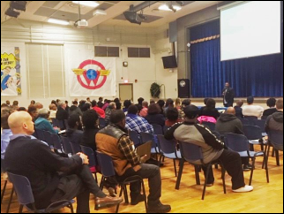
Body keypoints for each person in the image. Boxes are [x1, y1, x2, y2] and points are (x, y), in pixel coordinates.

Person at [4, 111, 122, 213]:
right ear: (24, 125)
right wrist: (79, 158)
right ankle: (99, 196)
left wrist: (76, 159)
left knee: (78, 165)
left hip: (29, 196)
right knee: (83, 180)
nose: (33, 123)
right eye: (31, 121)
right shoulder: (33, 145)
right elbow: (62, 165)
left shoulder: (10, 148)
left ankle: (100, 195)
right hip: (45, 196)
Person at [165, 105, 253, 193]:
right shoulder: (202, 130)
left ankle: (209, 180)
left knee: (205, 149)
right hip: (204, 157)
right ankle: (238, 185)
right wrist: (226, 148)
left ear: (184, 115)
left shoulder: (176, 127)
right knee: (234, 156)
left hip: (187, 156)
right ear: (196, 116)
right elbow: (218, 145)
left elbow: (167, 136)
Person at [95, 110, 171, 213]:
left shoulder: (99, 133)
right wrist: (142, 158)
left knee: (137, 165)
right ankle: (154, 204)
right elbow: (134, 161)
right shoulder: (122, 137)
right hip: (121, 171)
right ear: (122, 121)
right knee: (154, 169)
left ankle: (136, 195)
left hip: (109, 170)